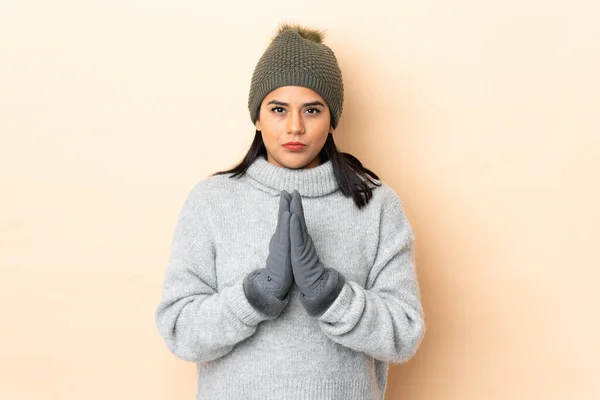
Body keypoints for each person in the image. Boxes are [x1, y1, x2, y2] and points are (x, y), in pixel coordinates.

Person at [154, 22, 425, 400]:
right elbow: (179, 330)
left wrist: (331, 295)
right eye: (278, 109)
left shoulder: (376, 204)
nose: (295, 127)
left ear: (332, 120)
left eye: (312, 110)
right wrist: (252, 296)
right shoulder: (211, 202)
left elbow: (405, 333)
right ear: (257, 116)